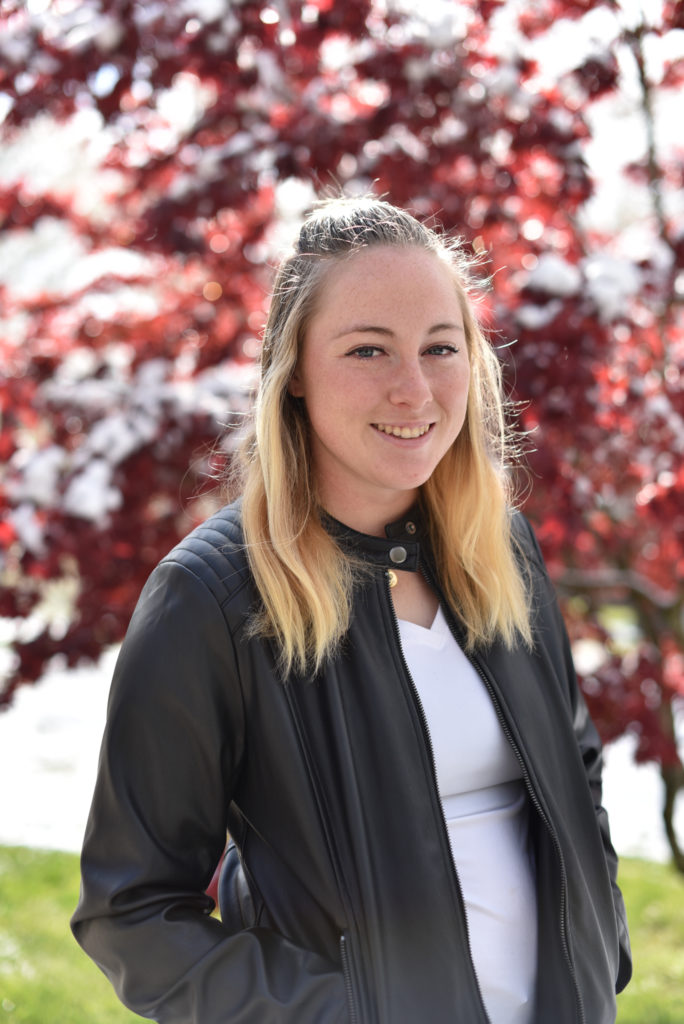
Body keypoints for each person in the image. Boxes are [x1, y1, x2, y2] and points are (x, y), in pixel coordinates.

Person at [72, 196, 631, 1024]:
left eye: (440, 348)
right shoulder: (213, 597)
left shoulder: (499, 548)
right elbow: (132, 911)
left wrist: (600, 952)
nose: (414, 389)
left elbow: (573, 773)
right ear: (294, 369)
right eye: (368, 349)